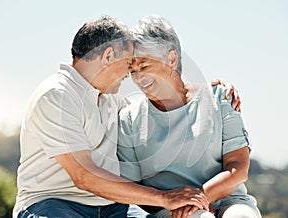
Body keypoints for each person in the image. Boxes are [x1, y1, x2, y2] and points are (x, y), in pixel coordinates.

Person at [13, 16, 213, 218]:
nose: (130, 74)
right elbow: (84, 176)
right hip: (54, 203)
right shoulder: (56, 96)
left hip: (113, 207)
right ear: (108, 56)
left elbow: (157, 105)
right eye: (128, 64)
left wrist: (208, 92)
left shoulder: (110, 99)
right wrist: (164, 198)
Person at [117, 15, 262, 218]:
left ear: (172, 59)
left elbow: (238, 167)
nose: (139, 78)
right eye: (132, 70)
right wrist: (180, 204)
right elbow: (132, 188)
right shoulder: (128, 119)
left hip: (229, 201)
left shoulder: (220, 98)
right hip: (171, 211)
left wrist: (200, 198)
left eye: (145, 66)